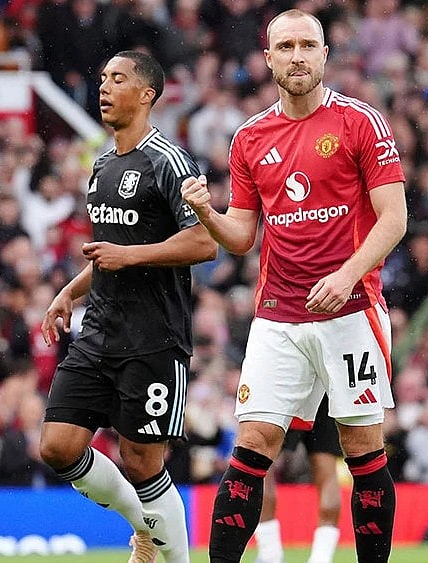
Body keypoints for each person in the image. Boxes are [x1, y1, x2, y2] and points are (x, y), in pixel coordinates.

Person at [181, 9, 407, 563]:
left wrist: (347, 275)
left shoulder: (360, 122)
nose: (298, 55)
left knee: (362, 451)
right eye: (286, 46)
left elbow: (394, 217)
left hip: (351, 311)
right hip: (278, 316)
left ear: (325, 54)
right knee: (252, 446)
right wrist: (206, 214)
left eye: (308, 44)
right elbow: (241, 235)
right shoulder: (249, 137)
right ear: (268, 58)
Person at [38, 50, 216, 563]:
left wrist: (130, 256)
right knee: (57, 446)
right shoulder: (101, 164)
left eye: (117, 79)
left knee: (142, 462)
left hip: (154, 337)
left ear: (146, 95)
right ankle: (145, 527)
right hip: (98, 333)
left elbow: (204, 243)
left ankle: (170, 553)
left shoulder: (170, 161)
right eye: (102, 79)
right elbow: (109, 255)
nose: (104, 87)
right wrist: (68, 293)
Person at [254, 397, 342, 563]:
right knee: (327, 470)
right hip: (325, 387)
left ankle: (269, 554)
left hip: (286, 385)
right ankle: (321, 557)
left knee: (263, 463)